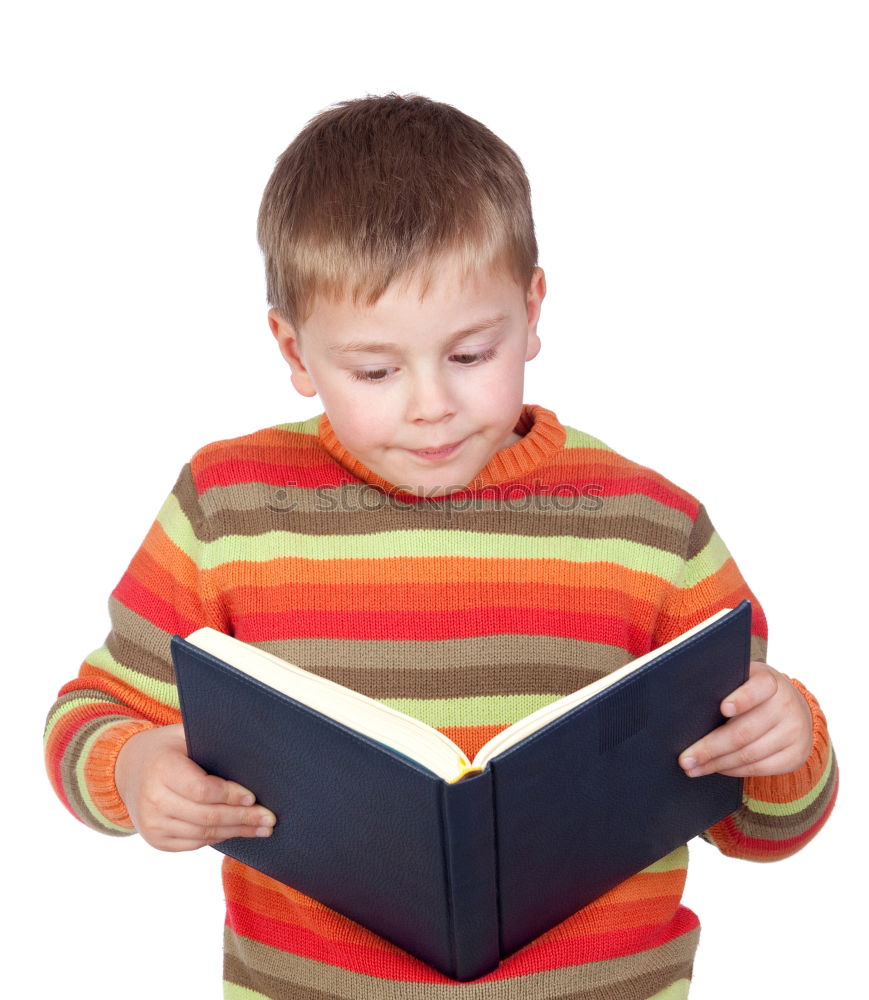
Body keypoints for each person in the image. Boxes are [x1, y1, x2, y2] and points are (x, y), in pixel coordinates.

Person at [44, 94, 837, 1000]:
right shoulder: (230, 507)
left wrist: (790, 745)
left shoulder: (652, 528)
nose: (430, 404)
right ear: (294, 350)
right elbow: (89, 718)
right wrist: (135, 769)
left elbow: (762, 832)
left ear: (532, 309)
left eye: (470, 353)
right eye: (375, 371)